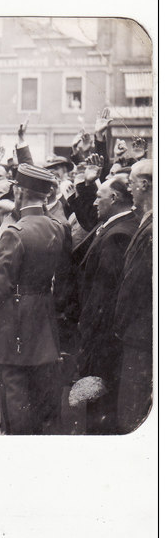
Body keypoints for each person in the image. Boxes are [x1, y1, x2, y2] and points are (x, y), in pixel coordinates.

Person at [0, 164, 70, 435]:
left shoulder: (15, 233)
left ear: (19, 191)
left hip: (13, 321)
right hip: (44, 318)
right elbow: (64, 278)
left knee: (14, 392)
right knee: (40, 392)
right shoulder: (59, 227)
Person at [73, 175, 137, 433]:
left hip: (102, 338)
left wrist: (86, 331)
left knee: (99, 405)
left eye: (98, 197)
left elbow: (102, 296)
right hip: (107, 335)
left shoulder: (116, 235)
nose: (94, 203)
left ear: (114, 198)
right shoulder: (117, 226)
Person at [113, 159, 153, 433]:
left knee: (132, 413)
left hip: (140, 337)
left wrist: (119, 326)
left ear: (145, 184)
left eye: (131, 184)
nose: (129, 190)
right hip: (143, 334)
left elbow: (133, 287)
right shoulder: (147, 223)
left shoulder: (151, 231)